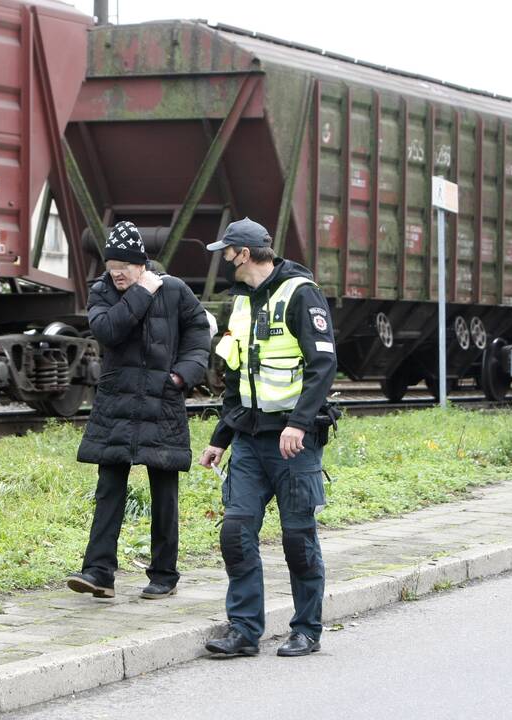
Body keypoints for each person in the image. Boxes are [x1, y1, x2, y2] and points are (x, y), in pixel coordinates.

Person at [198, 217, 337, 657]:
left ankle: (306, 630)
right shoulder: (241, 302)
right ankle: (243, 630)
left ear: (243, 252)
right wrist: (220, 437)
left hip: (294, 442)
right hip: (251, 441)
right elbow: (237, 378)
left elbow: (323, 366)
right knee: (236, 532)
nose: (223, 260)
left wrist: (298, 423)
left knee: (298, 538)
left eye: (226, 252)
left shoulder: (301, 293)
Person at [68, 220, 211, 600]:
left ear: (141, 264)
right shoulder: (102, 292)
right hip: (117, 405)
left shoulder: (177, 291)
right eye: (111, 266)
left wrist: (182, 376)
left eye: (124, 267)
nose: (116, 273)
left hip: (162, 403)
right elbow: (109, 331)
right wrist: (142, 293)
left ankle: (164, 575)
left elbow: (199, 333)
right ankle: (99, 572)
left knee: (164, 493)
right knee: (109, 489)